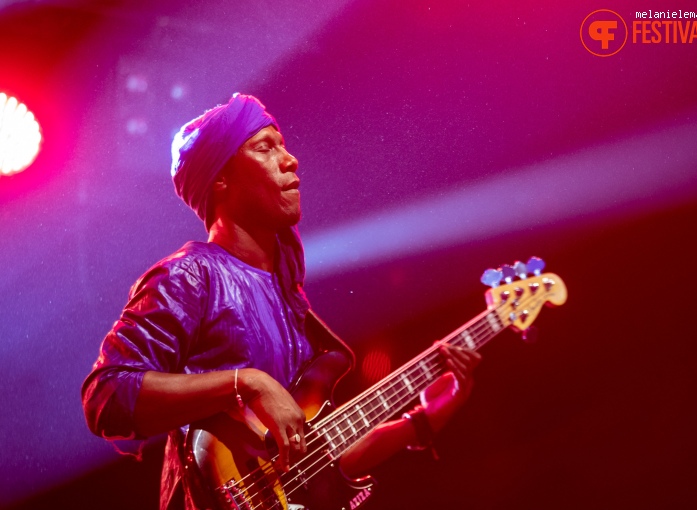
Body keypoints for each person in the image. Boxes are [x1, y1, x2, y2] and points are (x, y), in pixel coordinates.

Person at [81, 94, 481, 510]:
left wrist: (421, 422)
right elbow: (105, 397)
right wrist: (247, 382)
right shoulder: (189, 275)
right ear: (221, 179)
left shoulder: (289, 298)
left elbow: (314, 461)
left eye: (284, 145)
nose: (290, 160)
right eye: (265, 147)